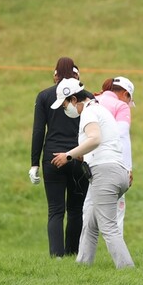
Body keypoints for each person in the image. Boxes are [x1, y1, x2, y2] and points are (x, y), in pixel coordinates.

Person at [50, 78, 134, 269]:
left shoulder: (89, 112)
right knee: (90, 221)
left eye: (65, 105)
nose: (65, 109)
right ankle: (83, 264)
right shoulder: (99, 110)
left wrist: (68, 156)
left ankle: (127, 268)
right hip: (115, 172)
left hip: (105, 173)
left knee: (109, 227)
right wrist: (81, 155)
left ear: (73, 99)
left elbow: (95, 139)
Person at [30, 57, 88, 257]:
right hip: (79, 156)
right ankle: (73, 253)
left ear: (55, 74)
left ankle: (57, 256)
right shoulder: (86, 97)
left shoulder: (44, 96)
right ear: (76, 74)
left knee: (55, 210)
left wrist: (34, 163)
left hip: (52, 158)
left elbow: (38, 131)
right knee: (76, 209)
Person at [95, 76, 135, 235]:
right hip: (112, 163)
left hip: (87, 161)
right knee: (117, 212)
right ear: (125, 94)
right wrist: (128, 168)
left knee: (88, 210)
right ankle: (118, 248)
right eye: (129, 100)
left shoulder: (93, 100)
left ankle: (83, 249)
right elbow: (122, 136)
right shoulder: (120, 106)